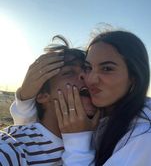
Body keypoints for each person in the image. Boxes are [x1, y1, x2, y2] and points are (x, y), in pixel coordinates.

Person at [11, 30, 151, 165]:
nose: (90, 78)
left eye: (107, 69)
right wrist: (25, 97)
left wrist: (78, 140)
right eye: (88, 67)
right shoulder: (99, 116)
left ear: (134, 77)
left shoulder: (145, 137)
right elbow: (36, 137)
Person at [0, 36, 97, 165]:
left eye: (87, 70)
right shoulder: (12, 146)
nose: (85, 76)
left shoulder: (107, 139)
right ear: (43, 96)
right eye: (69, 72)